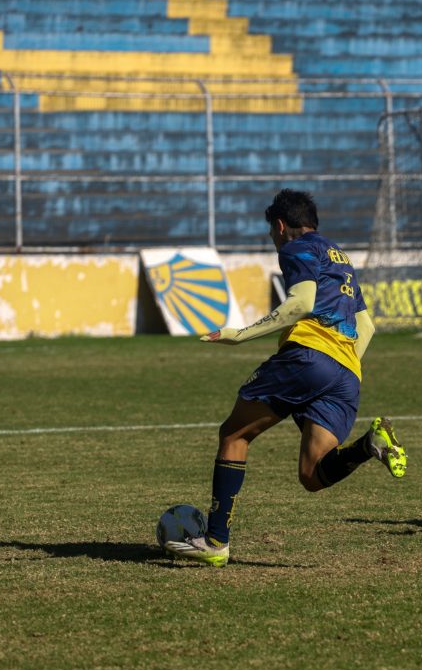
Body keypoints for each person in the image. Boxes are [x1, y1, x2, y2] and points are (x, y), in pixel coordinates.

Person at [163, 188, 408, 566]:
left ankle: (215, 541)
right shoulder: (340, 257)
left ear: (280, 225)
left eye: (271, 232)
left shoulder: (296, 249)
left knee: (233, 435)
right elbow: (367, 326)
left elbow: (302, 303)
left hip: (308, 357)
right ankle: (368, 445)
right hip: (346, 371)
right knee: (312, 475)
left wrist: (240, 335)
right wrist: (335, 367)